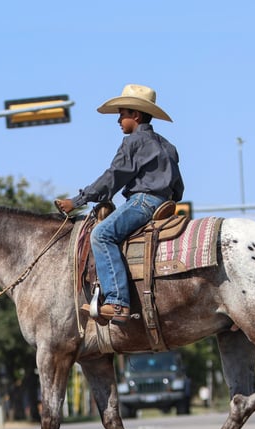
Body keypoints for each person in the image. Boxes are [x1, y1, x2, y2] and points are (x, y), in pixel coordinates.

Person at [55, 84, 184, 325]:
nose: (118, 120)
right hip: (164, 203)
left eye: (122, 113)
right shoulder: (167, 145)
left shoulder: (133, 142)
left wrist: (77, 201)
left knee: (101, 234)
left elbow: (113, 177)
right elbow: (179, 187)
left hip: (143, 201)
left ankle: (117, 302)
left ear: (135, 115)